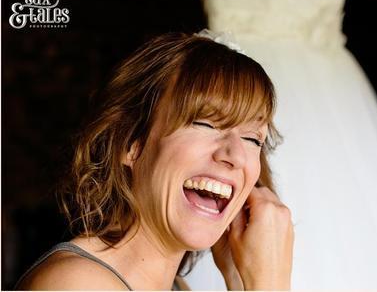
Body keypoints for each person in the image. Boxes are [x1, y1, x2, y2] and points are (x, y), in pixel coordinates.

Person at [15, 30, 294, 291]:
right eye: (205, 124)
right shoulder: (77, 284)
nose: (234, 155)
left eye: (252, 139)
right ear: (130, 143)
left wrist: (238, 278)